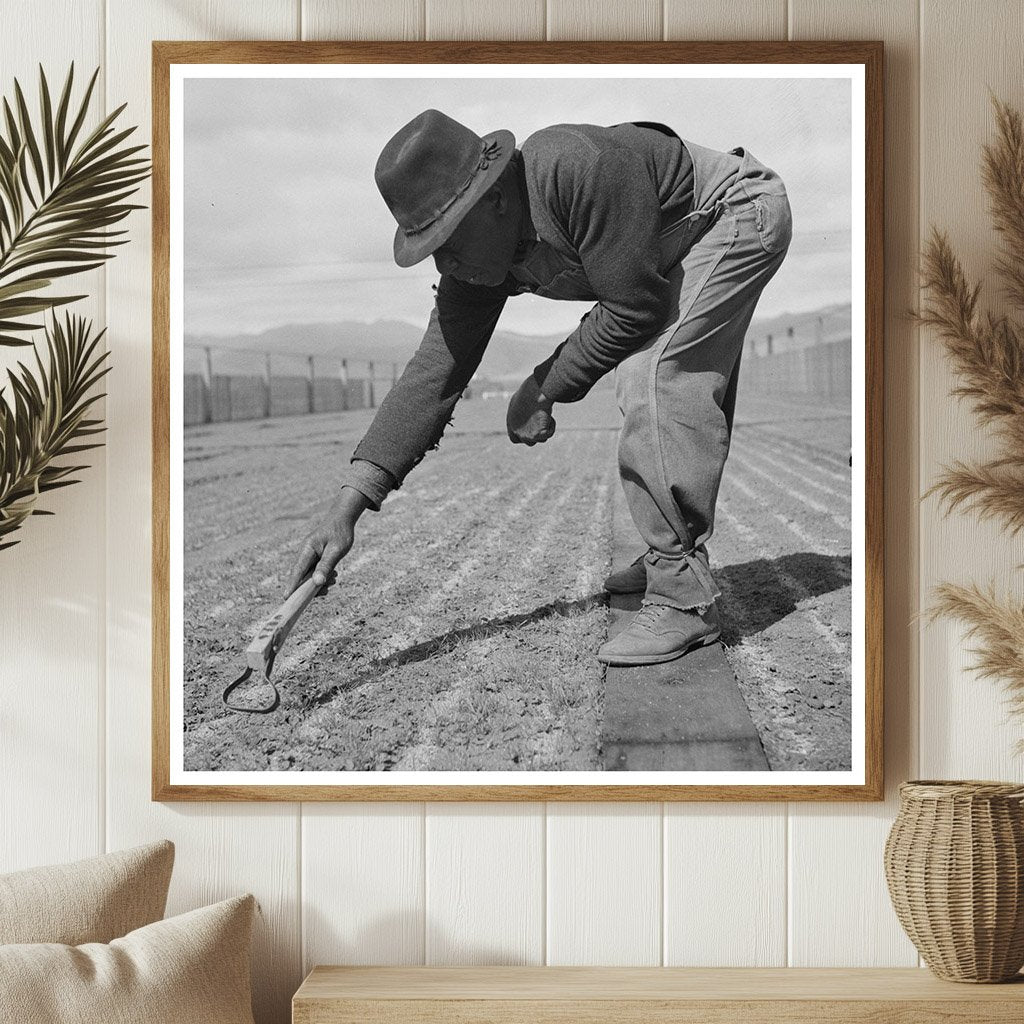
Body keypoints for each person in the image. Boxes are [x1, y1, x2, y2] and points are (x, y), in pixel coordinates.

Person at [286, 109, 792, 666]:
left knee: (654, 374)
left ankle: (681, 597)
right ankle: (669, 563)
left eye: (448, 238)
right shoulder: (477, 263)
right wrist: (348, 505)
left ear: (496, 199)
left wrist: (542, 387)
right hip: (670, 253)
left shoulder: (576, 168)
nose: (443, 261)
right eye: (430, 247)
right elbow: (434, 373)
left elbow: (634, 306)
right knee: (658, 370)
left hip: (734, 212)